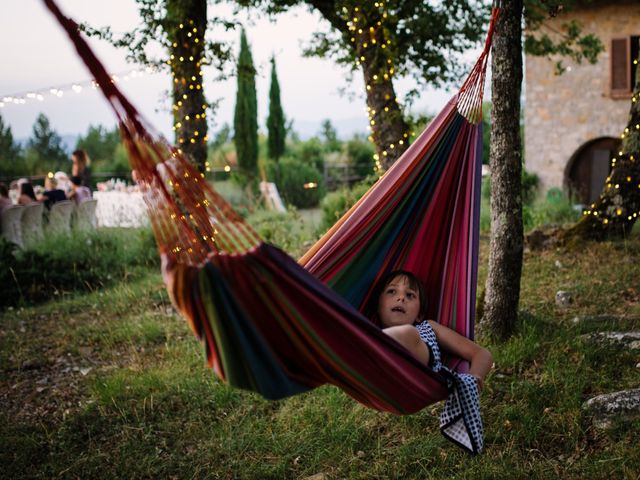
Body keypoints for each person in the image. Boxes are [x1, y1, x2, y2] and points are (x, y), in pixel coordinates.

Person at [371, 270, 493, 389]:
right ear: (377, 306)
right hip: (378, 365)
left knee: (408, 332)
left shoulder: (428, 327)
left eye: (410, 295)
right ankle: (380, 346)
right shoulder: (364, 333)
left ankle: (379, 345)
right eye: (392, 291)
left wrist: (475, 375)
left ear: (419, 315)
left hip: (421, 370)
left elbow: (481, 353)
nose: (401, 297)